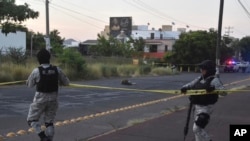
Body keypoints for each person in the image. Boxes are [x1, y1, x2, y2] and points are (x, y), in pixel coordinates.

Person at [26, 48, 70, 141]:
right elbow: (66, 82)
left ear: (39, 60)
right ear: (49, 58)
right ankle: (49, 139)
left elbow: (29, 85)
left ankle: (43, 137)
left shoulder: (36, 71)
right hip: (53, 98)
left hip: (40, 98)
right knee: (49, 122)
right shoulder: (57, 69)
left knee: (31, 120)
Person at [181, 60, 225, 141]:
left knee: (197, 128)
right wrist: (184, 88)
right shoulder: (199, 78)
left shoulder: (214, 80)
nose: (202, 70)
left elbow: (224, 92)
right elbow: (190, 84)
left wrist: (213, 89)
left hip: (206, 108)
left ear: (209, 70)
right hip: (196, 107)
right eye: (201, 69)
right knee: (197, 132)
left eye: (203, 69)